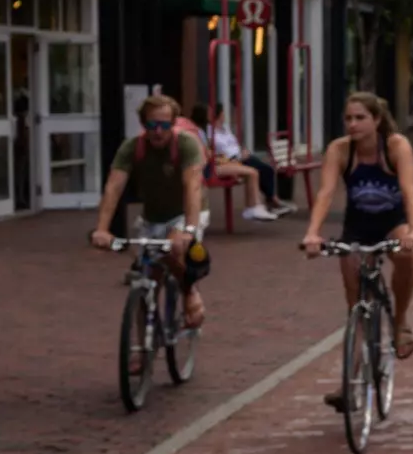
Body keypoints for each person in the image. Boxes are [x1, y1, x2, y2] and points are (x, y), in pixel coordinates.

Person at [303, 93, 413, 403]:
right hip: (357, 227)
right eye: (349, 119)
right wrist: (313, 234)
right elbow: (326, 193)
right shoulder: (340, 150)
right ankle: (349, 385)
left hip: (391, 222)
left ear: (377, 120)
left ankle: (399, 322)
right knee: (357, 305)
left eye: (360, 118)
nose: (353, 124)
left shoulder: (396, 146)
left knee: (407, 255)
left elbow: (409, 191)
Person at [89, 94, 208, 329]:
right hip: (152, 217)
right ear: (144, 124)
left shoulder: (186, 144)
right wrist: (102, 229)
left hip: (185, 212)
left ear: (173, 124)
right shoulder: (132, 148)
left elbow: (192, 186)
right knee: (147, 280)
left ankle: (189, 289)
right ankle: (142, 349)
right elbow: (114, 187)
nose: (158, 132)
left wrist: (190, 230)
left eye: (165, 125)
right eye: (152, 125)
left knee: (174, 249)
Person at [196, 103, 292, 222]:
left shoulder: (224, 128)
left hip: (234, 157)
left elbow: (232, 144)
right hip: (221, 162)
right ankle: (261, 205)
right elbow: (209, 153)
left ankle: (258, 206)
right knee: (255, 171)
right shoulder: (205, 131)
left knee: (260, 169)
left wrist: (241, 151)